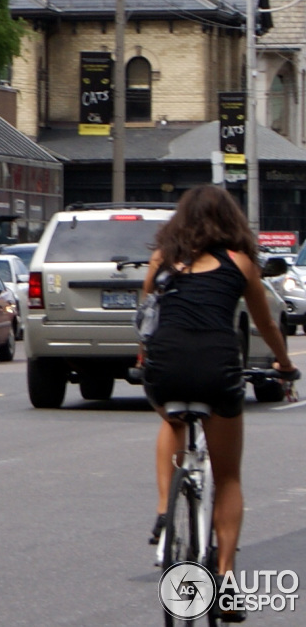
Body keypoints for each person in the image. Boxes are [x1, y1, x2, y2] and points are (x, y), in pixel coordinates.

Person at [140, 185, 297, 621]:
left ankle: (163, 515)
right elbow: (265, 324)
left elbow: (147, 317)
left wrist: (144, 356)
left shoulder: (161, 262)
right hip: (217, 366)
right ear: (231, 221)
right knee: (227, 476)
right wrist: (284, 365)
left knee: (170, 420)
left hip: (166, 363)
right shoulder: (241, 263)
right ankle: (225, 580)